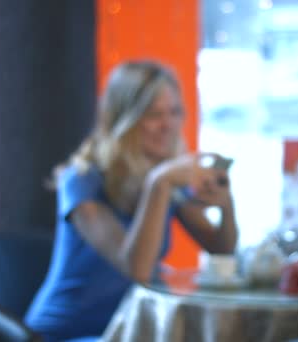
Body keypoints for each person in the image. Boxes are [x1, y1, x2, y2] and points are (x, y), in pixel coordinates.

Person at [24, 60, 239, 341]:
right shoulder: (81, 180)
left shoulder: (164, 176)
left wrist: (225, 204)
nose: (168, 125)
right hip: (71, 332)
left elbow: (221, 248)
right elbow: (137, 269)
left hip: (133, 329)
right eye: (154, 114)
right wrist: (158, 185)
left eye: (174, 112)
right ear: (124, 119)